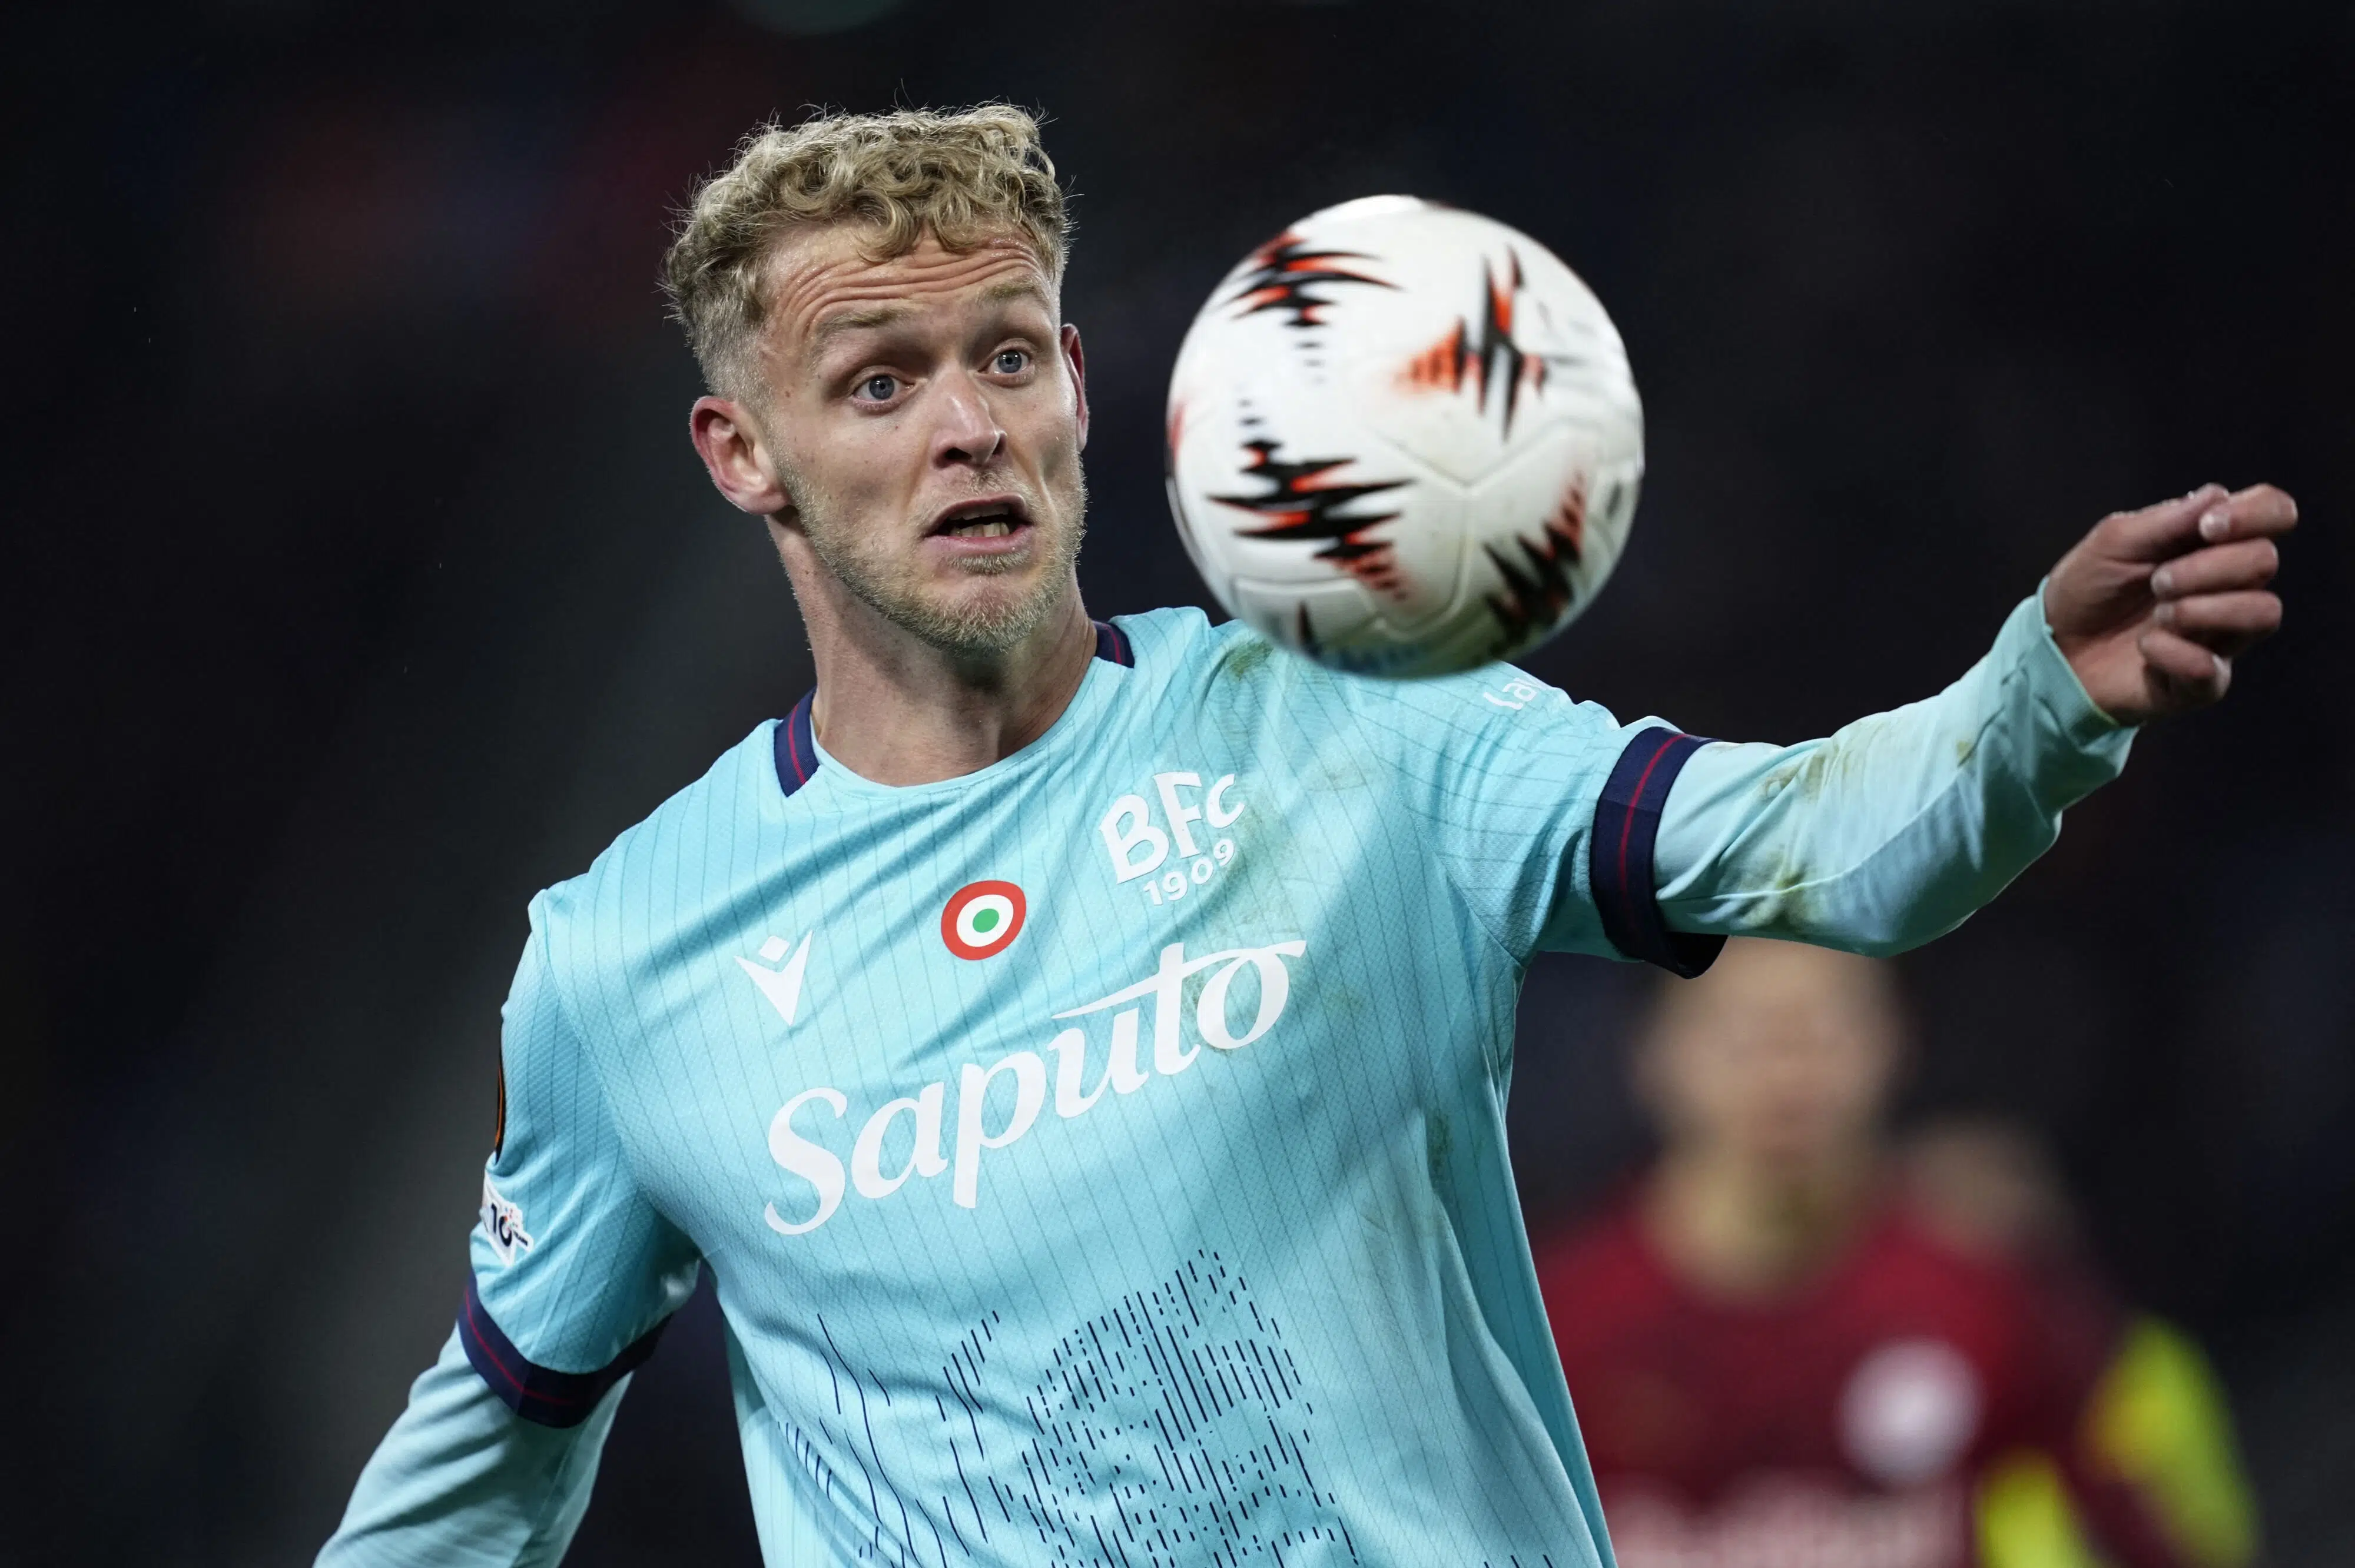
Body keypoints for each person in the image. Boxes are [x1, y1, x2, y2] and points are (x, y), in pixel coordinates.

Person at [316, 104, 2295, 1566]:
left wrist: (2033, 701)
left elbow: (1818, 851)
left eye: (1006, 355)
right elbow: (485, 1459)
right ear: (744, 451)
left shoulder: (1361, 722)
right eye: (880, 381)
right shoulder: (626, 959)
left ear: (1079, 385)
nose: (966, 426)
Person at [1533, 940, 2244, 1568]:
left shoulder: (1987, 1296)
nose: (1788, 1072)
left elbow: (2144, 1530)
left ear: (1897, 1038)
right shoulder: (1552, 1323)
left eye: (1827, 1028)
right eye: (1741, 1034)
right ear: (1651, 1052)